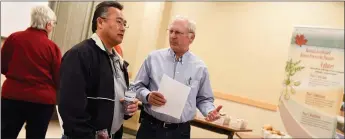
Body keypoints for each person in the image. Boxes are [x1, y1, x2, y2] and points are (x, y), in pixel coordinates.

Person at [133, 15, 223, 139]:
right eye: (171, 31)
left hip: (180, 132)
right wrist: (147, 96)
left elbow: (204, 99)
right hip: (150, 128)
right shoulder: (153, 58)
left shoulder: (200, 68)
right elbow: (136, 86)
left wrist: (209, 111)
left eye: (178, 33)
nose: (173, 36)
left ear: (191, 38)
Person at [58, 1, 138, 139]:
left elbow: (113, 100)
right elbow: (70, 108)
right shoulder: (79, 54)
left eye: (125, 24)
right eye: (119, 22)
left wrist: (128, 109)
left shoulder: (118, 61)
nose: (123, 28)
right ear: (100, 22)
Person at [1, 5, 60, 139]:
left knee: (5, 134)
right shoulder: (52, 48)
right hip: (41, 102)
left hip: (12, 97)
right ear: (48, 24)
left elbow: (2, 66)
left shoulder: (13, 38)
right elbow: (58, 77)